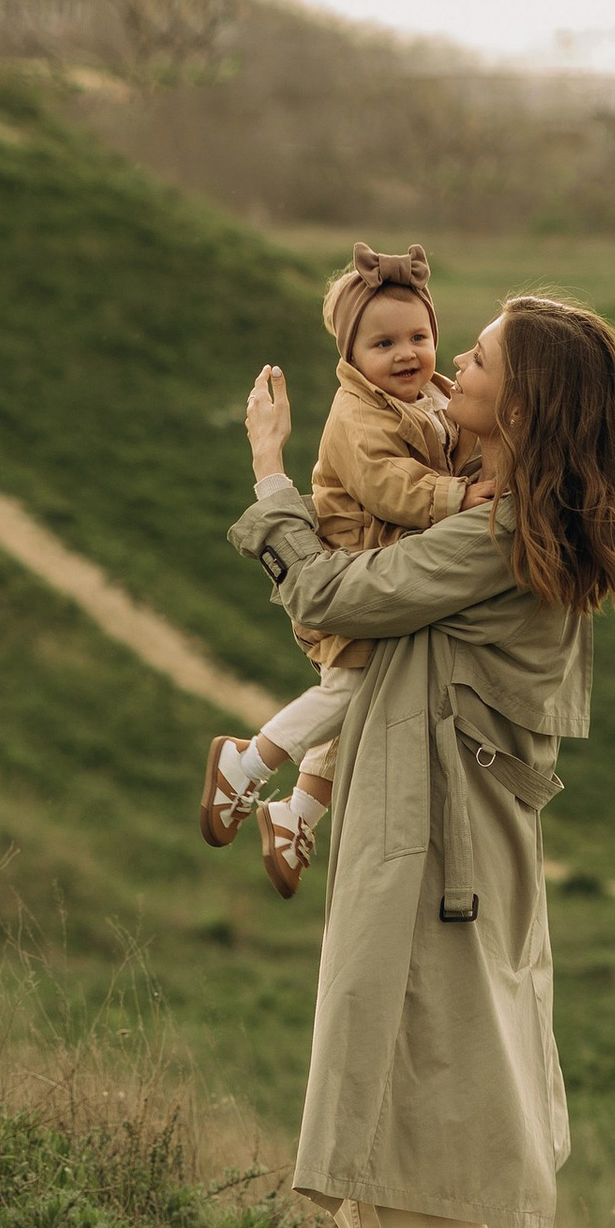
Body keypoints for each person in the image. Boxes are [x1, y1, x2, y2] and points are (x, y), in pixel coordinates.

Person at [229, 296, 615, 1228]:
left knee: (416, 1144)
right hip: (414, 848)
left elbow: (329, 593)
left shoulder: (492, 538)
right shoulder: (496, 521)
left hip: (437, 868)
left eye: (473, 360)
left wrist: (272, 476)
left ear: (517, 406)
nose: (448, 365)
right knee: (379, 1137)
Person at [199, 243, 469, 898]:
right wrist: (457, 498)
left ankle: (296, 814)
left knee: (359, 703)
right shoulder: (356, 416)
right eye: (384, 345)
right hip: (353, 562)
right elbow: (388, 486)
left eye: (419, 336)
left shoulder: (438, 398)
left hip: (391, 558)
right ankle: (250, 759)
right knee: (351, 690)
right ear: (351, 357)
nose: (407, 354)